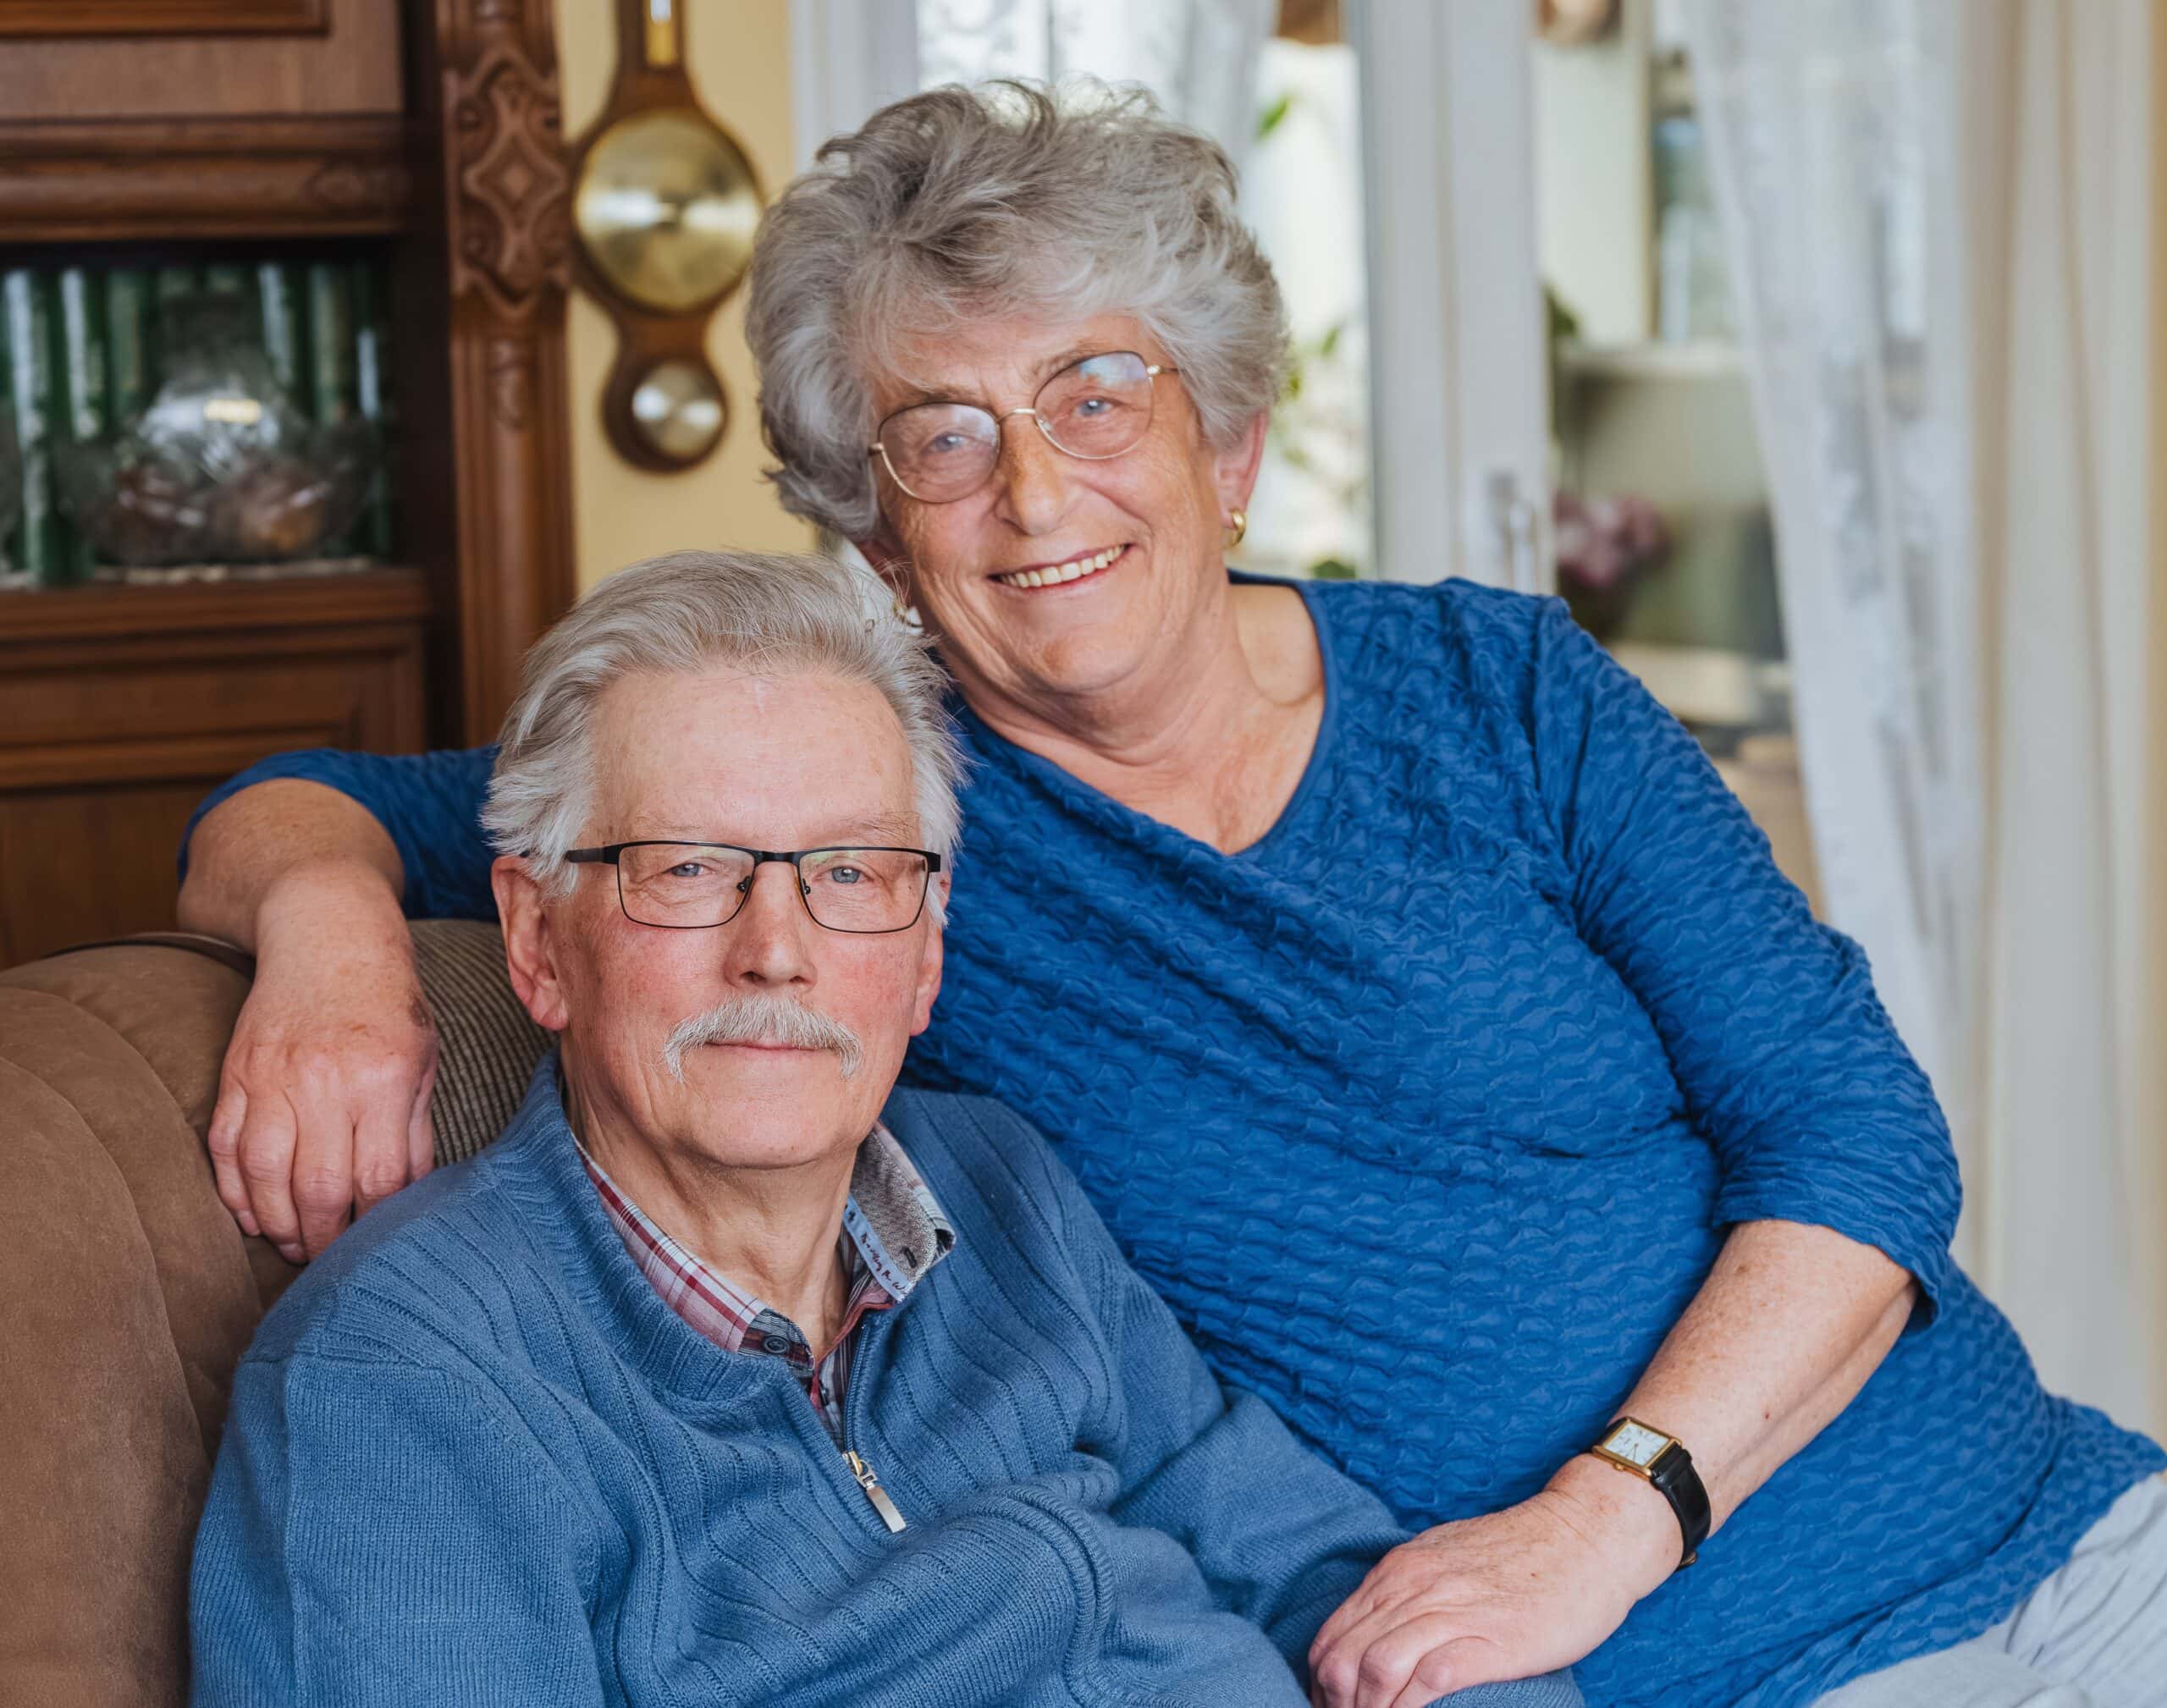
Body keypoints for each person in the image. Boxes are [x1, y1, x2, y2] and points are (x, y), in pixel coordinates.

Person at [177, 83, 2167, 1708]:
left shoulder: (1502, 689)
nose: (1033, 498)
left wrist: (1613, 1510)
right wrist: (336, 944)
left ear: (1227, 441)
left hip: (2049, 1530)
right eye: (939, 438)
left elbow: (1859, 1136)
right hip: (1702, 1680)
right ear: (871, 531)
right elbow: (319, 801)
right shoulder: (867, 816)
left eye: (1096, 397)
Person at [188, 550, 1579, 1708]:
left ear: (923, 955)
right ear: (536, 943)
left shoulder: (1001, 1188)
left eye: (851, 870)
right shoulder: (405, 1385)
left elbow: (1342, 1580)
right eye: (688, 869)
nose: (776, 950)